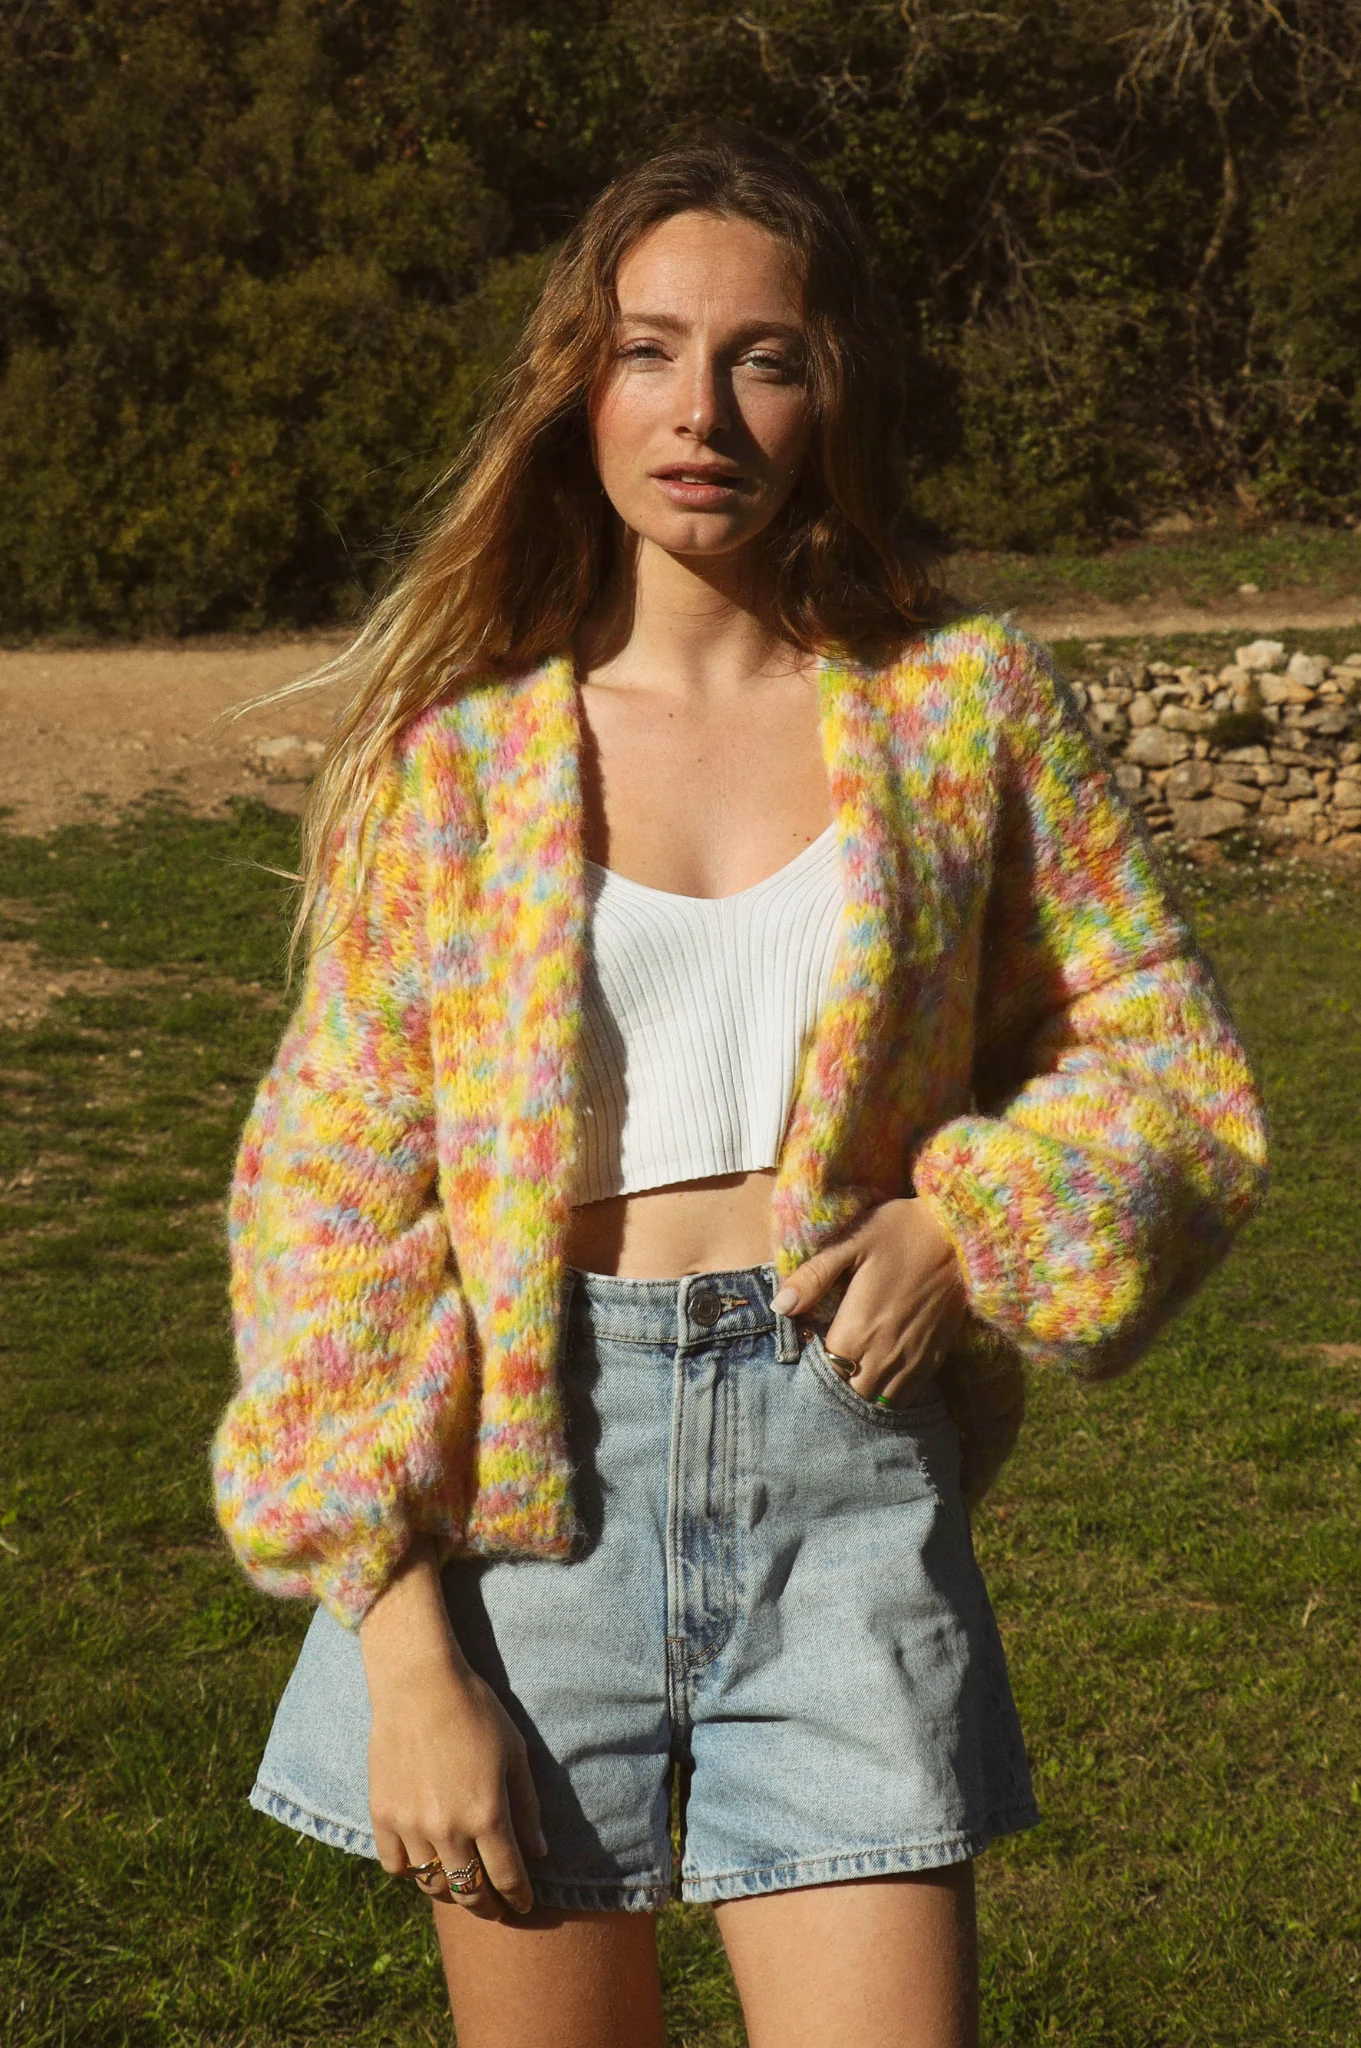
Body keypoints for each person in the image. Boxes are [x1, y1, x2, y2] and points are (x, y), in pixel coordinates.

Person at [211, 128, 1268, 2048]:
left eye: (762, 358)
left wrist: (966, 1221)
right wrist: (405, 1652)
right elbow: (325, 1211)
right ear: (582, 388)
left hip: (842, 1488)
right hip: (523, 1512)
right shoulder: (459, 766)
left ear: (830, 390)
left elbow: (1172, 1066)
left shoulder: (967, 710)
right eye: (649, 352)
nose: (702, 410)